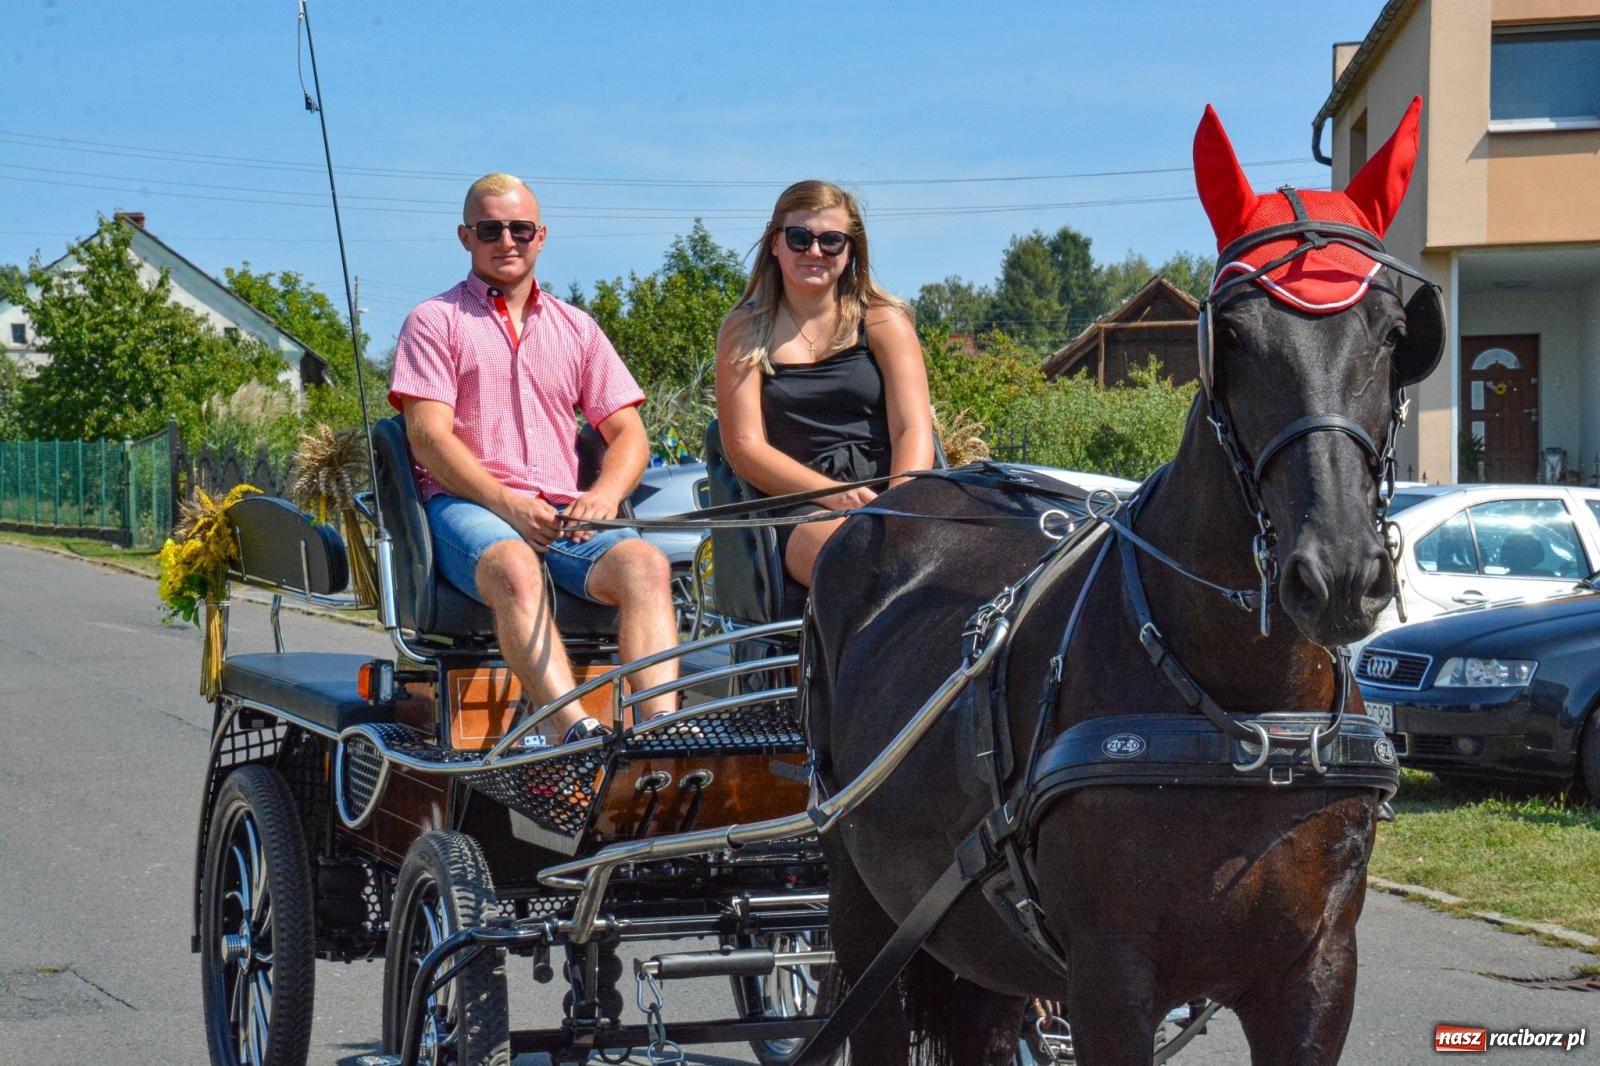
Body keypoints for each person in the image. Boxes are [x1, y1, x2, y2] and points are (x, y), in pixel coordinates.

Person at [388, 173, 678, 744]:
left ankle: (657, 731)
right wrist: (510, 505)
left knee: (646, 564)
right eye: (490, 228)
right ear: (465, 237)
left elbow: (630, 437)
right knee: (517, 567)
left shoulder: (578, 329)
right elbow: (427, 438)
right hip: (466, 507)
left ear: (541, 236)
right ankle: (578, 733)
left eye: (520, 228)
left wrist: (603, 496)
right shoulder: (435, 321)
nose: (507, 240)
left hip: (563, 510)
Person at [715, 179, 933, 587]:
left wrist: (899, 506)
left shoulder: (885, 321)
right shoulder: (744, 328)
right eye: (800, 238)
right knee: (855, 555)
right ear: (775, 243)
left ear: (851, 251)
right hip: (798, 502)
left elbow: (913, 428)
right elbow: (745, 448)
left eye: (831, 241)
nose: (814, 252)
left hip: (892, 492)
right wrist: (837, 496)